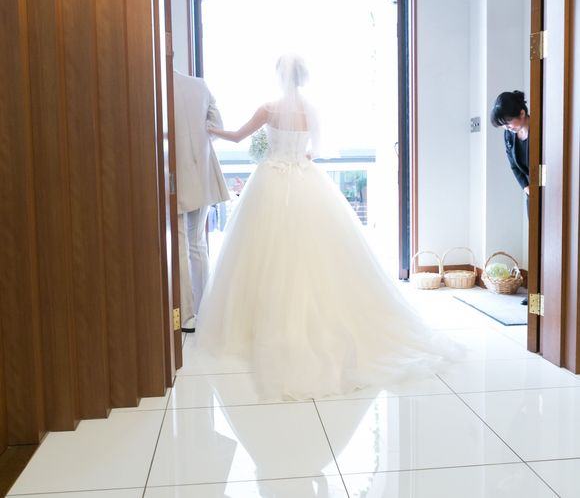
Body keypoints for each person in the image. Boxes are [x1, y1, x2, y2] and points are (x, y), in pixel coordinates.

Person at [194, 54, 458, 400]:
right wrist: (299, 157)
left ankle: (252, 327)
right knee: (316, 252)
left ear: (279, 76)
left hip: (271, 181)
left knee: (264, 253)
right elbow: (315, 151)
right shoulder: (312, 111)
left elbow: (236, 137)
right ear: (302, 78)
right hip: (306, 181)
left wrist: (210, 129)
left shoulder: (268, 109)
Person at [173, 70, 230, 332]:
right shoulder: (199, 85)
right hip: (203, 172)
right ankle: (205, 310)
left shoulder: (155, 87)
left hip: (174, 174)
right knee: (197, 243)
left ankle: (185, 316)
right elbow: (216, 126)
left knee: (180, 245)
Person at [490, 90, 529, 306]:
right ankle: (537, 291)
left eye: (508, 122)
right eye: (503, 125)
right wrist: (526, 187)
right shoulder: (509, 136)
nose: (507, 128)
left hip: (551, 191)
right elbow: (514, 166)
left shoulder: (541, 128)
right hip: (531, 192)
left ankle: (552, 293)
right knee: (538, 242)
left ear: (522, 113)